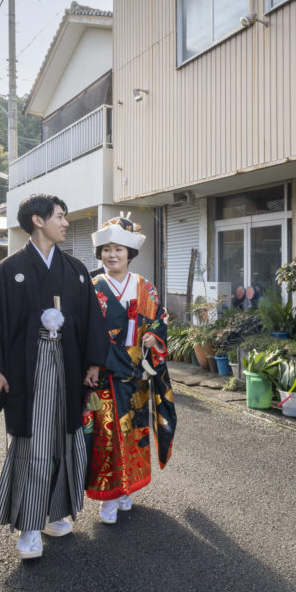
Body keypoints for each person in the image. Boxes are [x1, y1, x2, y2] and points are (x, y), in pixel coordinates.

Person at [0, 194, 108, 561]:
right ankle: (29, 526)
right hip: (29, 369)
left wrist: (93, 362)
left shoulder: (75, 270)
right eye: (60, 217)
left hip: (69, 365)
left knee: (67, 439)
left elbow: (92, 318)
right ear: (38, 220)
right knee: (34, 442)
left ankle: (56, 511)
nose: (65, 223)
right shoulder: (8, 271)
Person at [86, 217, 177, 525]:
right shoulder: (91, 286)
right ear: (100, 254)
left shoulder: (145, 287)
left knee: (134, 434)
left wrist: (155, 336)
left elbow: (159, 319)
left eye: (119, 250)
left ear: (129, 254)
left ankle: (127, 491)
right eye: (107, 250)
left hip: (136, 374)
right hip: (104, 372)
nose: (112, 255)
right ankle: (109, 496)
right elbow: (82, 329)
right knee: (106, 436)